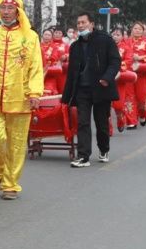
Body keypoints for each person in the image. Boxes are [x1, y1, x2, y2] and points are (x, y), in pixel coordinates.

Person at [0, 0, 43, 200]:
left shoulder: (30, 37)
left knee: (16, 142)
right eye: (3, 8)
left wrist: (34, 92)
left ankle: (10, 184)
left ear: (18, 11)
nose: (5, 12)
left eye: (10, 8)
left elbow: (35, 68)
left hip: (20, 97)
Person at [61, 12, 121, 167]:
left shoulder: (105, 40)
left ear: (91, 24)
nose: (80, 25)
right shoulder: (75, 46)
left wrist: (107, 78)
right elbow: (72, 73)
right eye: (78, 23)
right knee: (82, 122)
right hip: (82, 89)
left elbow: (115, 62)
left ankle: (104, 148)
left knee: (101, 123)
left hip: (101, 87)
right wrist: (66, 97)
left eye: (83, 22)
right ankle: (83, 156)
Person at [126, 21, 146, 128]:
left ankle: (143, 116)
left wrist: (140, 58)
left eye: (140, 29)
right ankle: (131, 121)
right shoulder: (126, 42)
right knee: (129, 97)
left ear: (143, 31)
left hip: (142, 74)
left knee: (142, 98)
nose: (137, 30)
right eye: (135, 28)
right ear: (132, 30)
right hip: (129, 74)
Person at [110, 28, 135, 132]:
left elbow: (128, 61)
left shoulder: (126, 48)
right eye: (114, 34)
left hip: (119, 79)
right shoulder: (107, 47)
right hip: (106, 80)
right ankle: (107, 129)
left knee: (118, 105)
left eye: (118, 34)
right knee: (105, 106)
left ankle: (120, 119)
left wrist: (117, 67)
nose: (115, 36)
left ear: (122, 36)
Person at [41, 28, 61, 95]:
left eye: (49, 35)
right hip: (38, 72)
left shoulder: (54, 47)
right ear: (42, 35)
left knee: (49, 91)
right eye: (45, 34)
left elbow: (54, 57)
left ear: (51, 37)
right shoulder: (38, 45)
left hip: (49, 73)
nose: (47, 36)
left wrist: (46, 64)